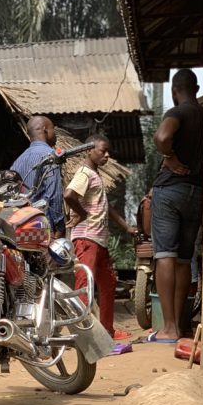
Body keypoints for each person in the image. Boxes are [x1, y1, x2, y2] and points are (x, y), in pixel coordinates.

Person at [148, 68, 203, 342]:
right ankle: (180, 326)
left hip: (170, 190)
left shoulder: (179, 113)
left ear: (174, 90)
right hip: (197, 194)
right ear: (196, 88)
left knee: (164, 256)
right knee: (184, 259)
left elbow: (161, 137)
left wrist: (168, 156)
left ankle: (168, 327)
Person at [64, 134, 136, 340]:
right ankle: (83, 335)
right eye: (102, 151)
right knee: (84, 286)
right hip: (87, 238)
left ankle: (107, 331)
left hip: (98, 239)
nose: (107, 155)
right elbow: (69, 195)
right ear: (89, 150)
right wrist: (83, 214)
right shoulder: (84, 173)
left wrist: (126, 227)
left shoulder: (95, 175)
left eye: (108, 151)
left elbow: (107, 207)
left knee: (109, 283)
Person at [10, 116, 66, 238]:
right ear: (45, 130)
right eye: (53, 129)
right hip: (43, 227)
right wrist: (60, 227)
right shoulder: (50, 156)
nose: (55, 134)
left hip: (21, 229)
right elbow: (54, 195)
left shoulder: (17, 161)